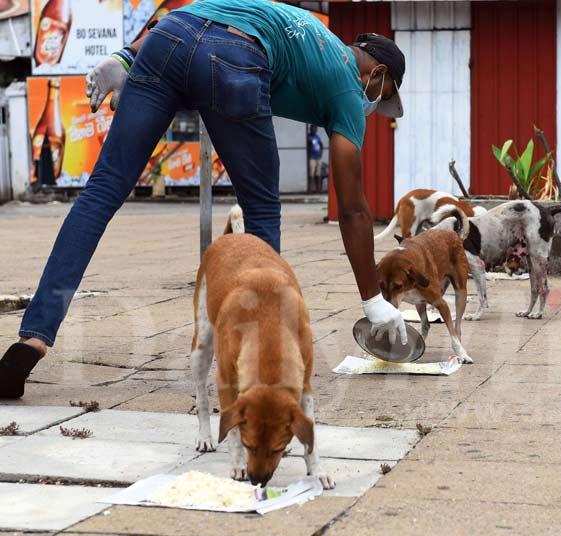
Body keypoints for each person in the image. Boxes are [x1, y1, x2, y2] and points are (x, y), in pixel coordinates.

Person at [0, 1, 408, 399]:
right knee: (262, 210)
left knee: (102, 191)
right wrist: (373, 299)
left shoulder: (302, 24)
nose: (374, 107)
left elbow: (197, 12)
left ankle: (32, 341)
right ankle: (261, 364)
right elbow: (352, 208)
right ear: (376, 72)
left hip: (166, 39)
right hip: (234, 59)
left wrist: (129, 55)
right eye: (382, 94)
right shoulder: (348, 87)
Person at [307, 125, 323, 193]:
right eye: (313, 129)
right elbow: (309, 142)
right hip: (312, 157)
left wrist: (321, 154)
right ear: (310, 129)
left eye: (315, 129)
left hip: (318, 157)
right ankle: (310, 190)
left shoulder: (317, 136)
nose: (314, 130)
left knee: (318, 174)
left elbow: (321, 145)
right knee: (311, 174)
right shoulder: (309, 136)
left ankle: (318, 189)